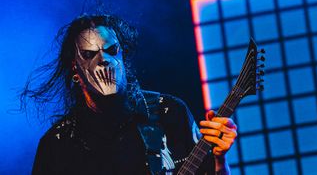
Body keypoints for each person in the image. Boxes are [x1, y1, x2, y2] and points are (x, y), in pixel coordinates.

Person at [22, 14, 237, 175]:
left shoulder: (169, 112)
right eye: (89, 55)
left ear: (123, 56)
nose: (104, 60)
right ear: (75, 70)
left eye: (112, 50)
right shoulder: (57, 145)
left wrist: (220, 159)